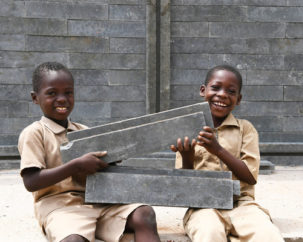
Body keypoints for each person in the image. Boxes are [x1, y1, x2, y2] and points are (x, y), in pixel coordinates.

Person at [18, 62, 161, 242]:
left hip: (98, 203)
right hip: (60, 207)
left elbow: (102, 171)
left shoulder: (83, 131)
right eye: (52, 93)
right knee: (74, 240)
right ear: (35, 98)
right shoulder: (34, 133)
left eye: (68, 93)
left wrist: (110, 161)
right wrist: (75, 166)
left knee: (144, 214)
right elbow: (31, 181)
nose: (62, 99)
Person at [170, 65, 284, 242]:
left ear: (238, 99)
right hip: (203, 206)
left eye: (231, 91)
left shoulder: (246, 129)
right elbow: (184, 187)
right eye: (215, 88)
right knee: (209, 234)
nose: (222, 95)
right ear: (203, 90)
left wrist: (218, 150)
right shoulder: (188, 130)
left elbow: (250, 176)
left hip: (242, 205)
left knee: (268, 236)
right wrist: (187, 157)